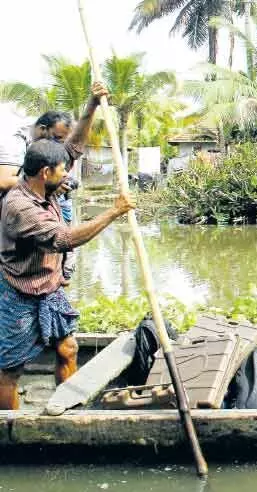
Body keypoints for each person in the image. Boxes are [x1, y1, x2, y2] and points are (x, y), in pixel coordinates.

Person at [0, 139, 135, 409]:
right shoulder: (20, 207)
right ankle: (10, 429)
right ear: (45, 172)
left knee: (68, 348)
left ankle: (69, 408)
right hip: (20, 291)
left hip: (49, 287)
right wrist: (113, 212)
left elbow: (72, 148)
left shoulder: (43, 188)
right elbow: (64, 239)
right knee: (10, 370)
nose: (68, 176)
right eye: (63, 171)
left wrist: (93, 105)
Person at [28, 82, 110, 284]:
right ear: (42, 130)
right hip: (34, 213)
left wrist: (92, 104)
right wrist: (113, 212)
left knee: (64, 254)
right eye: (56, 138)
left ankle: (61, 275)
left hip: (58, 206)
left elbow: (75, 144)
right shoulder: (30, 151)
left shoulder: (59, 150)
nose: (60, 144)